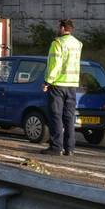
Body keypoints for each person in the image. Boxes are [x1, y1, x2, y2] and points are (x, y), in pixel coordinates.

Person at [42, 18, 82, 156]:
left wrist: (48, 81)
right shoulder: (78, 44)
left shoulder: (57, 43)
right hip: (72, 85)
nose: (58, 29)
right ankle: (69, 148)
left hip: (58, 84)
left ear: (63, 28)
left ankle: (56, 147)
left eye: (59, 27)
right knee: (69, 117)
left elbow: (55, 65)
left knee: (55, 116)